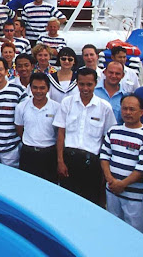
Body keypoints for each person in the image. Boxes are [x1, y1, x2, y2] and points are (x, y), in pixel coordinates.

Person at [54, 67, 116, 204]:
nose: (85, 88)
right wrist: (60, 161)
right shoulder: (67, 103)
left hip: (92, 163)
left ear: (96, 84)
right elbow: (61, 133)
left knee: (90, 202)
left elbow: (108, 139)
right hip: (69, 160)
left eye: (89, 84)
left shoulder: (104, 107)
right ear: (77, 83)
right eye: (81, 84)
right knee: (66, 201)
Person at [99, 94, 143, 235]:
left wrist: (122, 184)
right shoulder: (113, 131)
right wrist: (110, 179)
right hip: (112, 191)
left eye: (132, 109)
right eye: (124, 109)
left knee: (136, 232)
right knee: (113, 228)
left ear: (141, 112)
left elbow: (142, 167)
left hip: (134, 196)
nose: (128, 113)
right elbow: (104, 156)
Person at [15, 72, 59, 183]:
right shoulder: (21, 107)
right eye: (35, 87)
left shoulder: (57, 107)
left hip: (49, 154)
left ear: (48, 89)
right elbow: (19, 129)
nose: (38, 91)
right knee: (27, 185)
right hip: (28, 153)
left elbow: (59, 133)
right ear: (30, 88)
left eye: (42, 88)